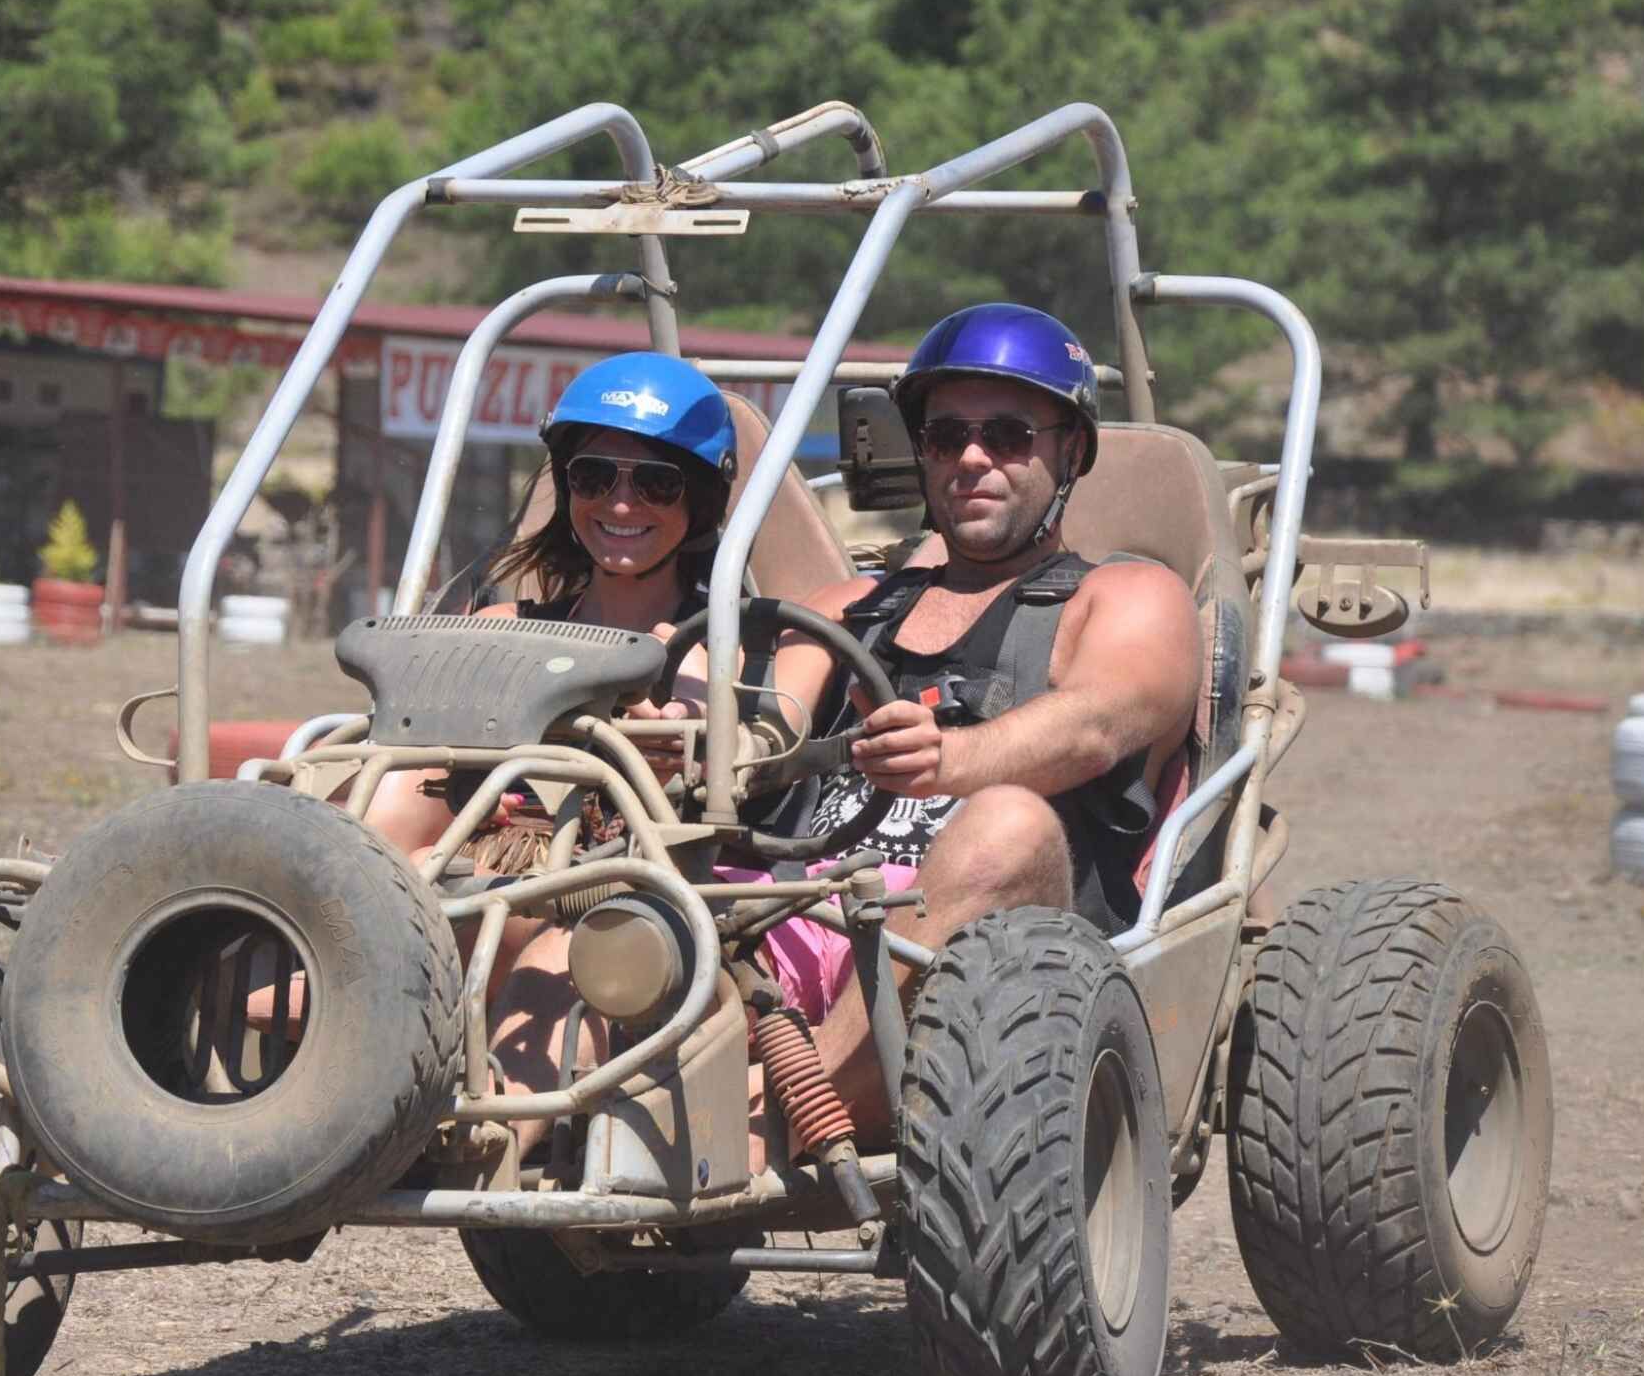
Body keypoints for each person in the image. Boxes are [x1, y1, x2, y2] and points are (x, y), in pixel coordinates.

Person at [247, 352, 739, 1153]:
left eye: (656, 484)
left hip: (606, 871)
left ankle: (458, 1110)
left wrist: (654, 718)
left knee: (511, 914)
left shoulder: (711, 646)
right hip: (471, 849)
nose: (620, 501)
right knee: (404, 786)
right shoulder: (508, 618)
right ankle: (306, 956)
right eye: (593, 476)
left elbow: (695, 750)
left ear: (703, 501)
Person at [765, 302, 1204, 1138]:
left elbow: (1096, 724)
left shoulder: (1127, 596)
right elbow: (754, 721)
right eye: (944, 436)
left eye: (1007, 434)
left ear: (1070, 450)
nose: (971, 459)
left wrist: (949, 761)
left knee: (1005, 822)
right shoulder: (850, 605)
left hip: (1006, 968)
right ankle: (491, 1128)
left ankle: (765, 1126)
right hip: (797, 913)